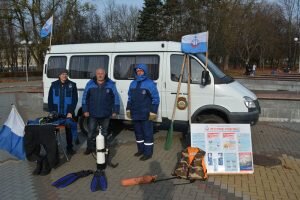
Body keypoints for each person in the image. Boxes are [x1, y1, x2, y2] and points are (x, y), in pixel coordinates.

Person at [82, 68, 120, 155]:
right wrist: (85, 110)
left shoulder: (110, 84)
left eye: (102, 73)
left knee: (104, 132)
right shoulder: (90, 84)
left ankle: (104, 147)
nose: (100, 75)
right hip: (93, 113)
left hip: (106, 113)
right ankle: (89, 148)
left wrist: (115, 110)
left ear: (104, 74)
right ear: (96, 74)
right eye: (98, 73)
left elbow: (116, 98)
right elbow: (85, 98)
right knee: (91, 132)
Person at [126, 64, 160, 161]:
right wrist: (128, 109)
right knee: (138, 133)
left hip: (146, 114)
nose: (139, 72)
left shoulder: (150, 83)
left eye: (141, 70)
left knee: (147, 134)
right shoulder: (132, 83)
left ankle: (148, 153)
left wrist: (153, 111)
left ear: (145, 71)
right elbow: (129, 98)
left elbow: (156, 98)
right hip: (135, 113)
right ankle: (140, 150)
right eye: (137, 70)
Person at [48, 69, 78, 155]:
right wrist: (52, 112)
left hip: (67, 113)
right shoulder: (53, 85)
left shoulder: (72, 85)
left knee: (69, 131)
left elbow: (74, 100)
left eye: (66, 74)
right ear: (59, 75)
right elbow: (50, 99)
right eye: (62, 74)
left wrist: (70, 112)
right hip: (56, 113)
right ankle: (55, 148)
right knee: (54, 131)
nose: (64, 76)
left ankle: (69, 148)